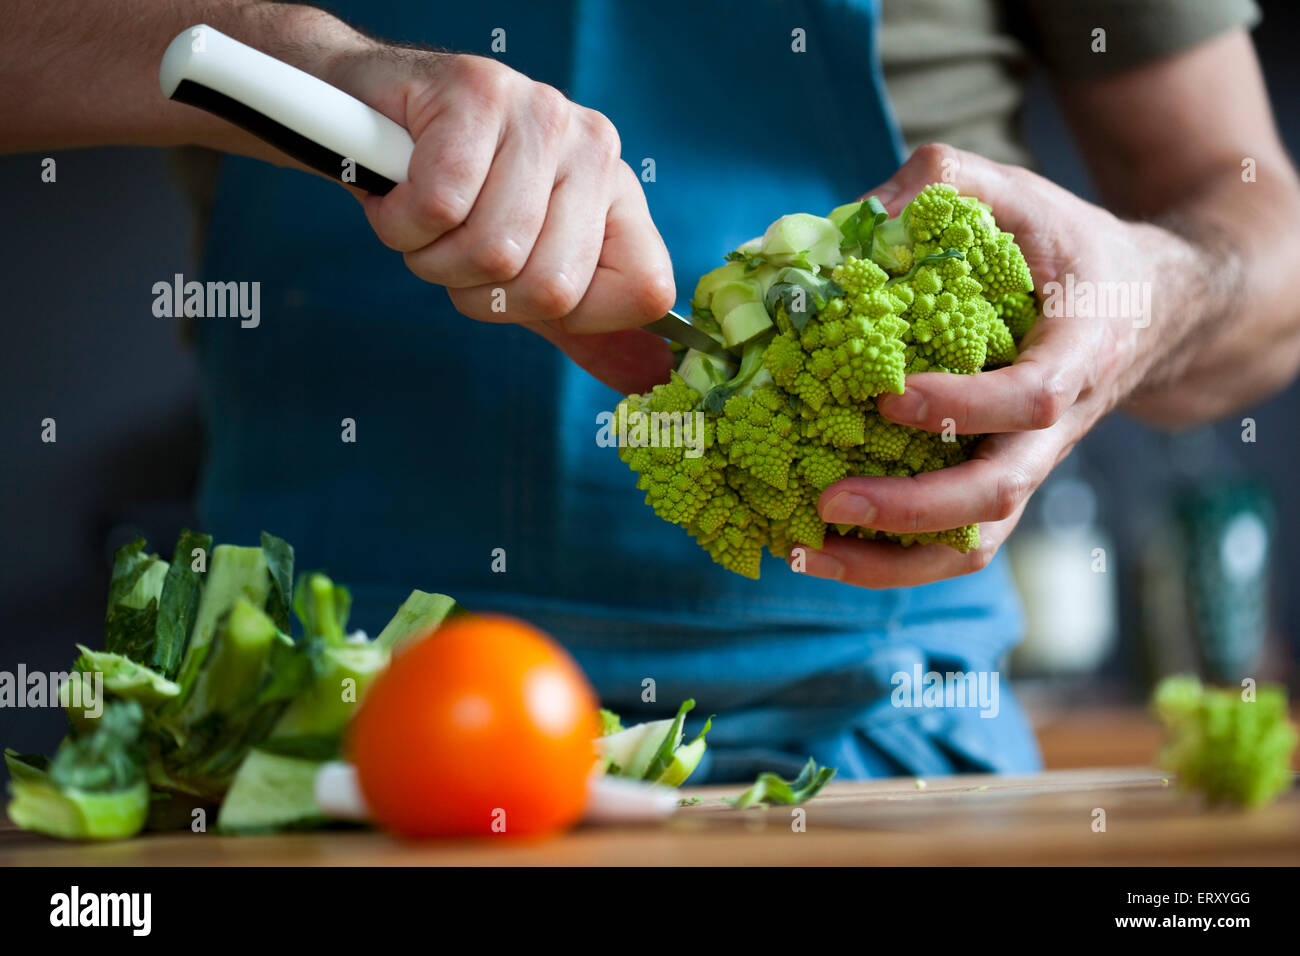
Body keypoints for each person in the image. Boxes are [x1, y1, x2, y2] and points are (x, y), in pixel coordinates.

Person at [5, 0, 1297, 782]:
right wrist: (304, 60)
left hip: (870, 754)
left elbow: (1269, 237)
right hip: (304, 738)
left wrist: (1151, 296)